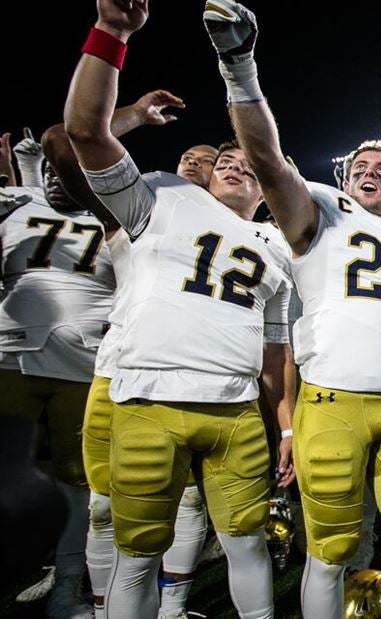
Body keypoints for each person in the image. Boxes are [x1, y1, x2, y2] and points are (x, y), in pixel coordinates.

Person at [202, 3, 381, 616]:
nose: (373, 173)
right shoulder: (319, 209)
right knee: (331, 549)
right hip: (331, 403)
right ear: (345, 176)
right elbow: (265, 156)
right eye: (363, 166)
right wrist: (240, 67)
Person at [65, 3, 294, 616]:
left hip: (237, 411)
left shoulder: (275, 249)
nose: (234, 164)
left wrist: (285, 425)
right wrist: (112, 33)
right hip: (148, 396)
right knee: (135, 551)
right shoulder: (159, 195)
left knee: (246, 545)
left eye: (247, 165)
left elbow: (275, 353)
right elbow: (84, 133)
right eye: (226, 160)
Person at [41, 93, 219, 619]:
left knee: (185, 504)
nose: (194, 160)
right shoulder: (145, 201)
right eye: (190, 155)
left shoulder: (248, 231)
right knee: (103, 510)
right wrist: (135, 117)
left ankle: (171, 608)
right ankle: (98, 606)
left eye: (209, 159)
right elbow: (62, 140)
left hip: (200, 382)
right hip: (123, 372)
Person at [0, 156, 115, 619]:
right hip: (11, 352)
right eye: (46, 171)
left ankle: (68, 584)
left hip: (85, 362)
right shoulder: (15, 207)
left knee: (78, 484)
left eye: (63, 170)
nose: (54, 178)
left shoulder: (112, 217)